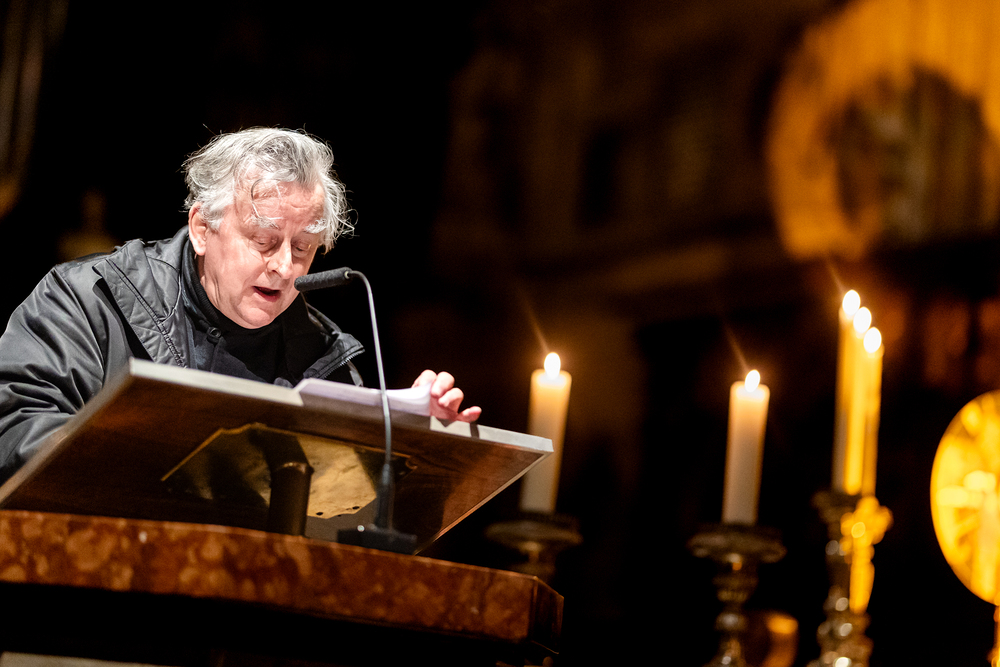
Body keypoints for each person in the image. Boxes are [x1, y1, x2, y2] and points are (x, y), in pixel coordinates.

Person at [0, 127, 480, 483]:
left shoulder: (325, 360)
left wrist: (416, 446)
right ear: (202, 228)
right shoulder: (89, 300)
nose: (285, 267)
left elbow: (349, 509)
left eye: (303, 247)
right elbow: (15, 428)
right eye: (264, 241)